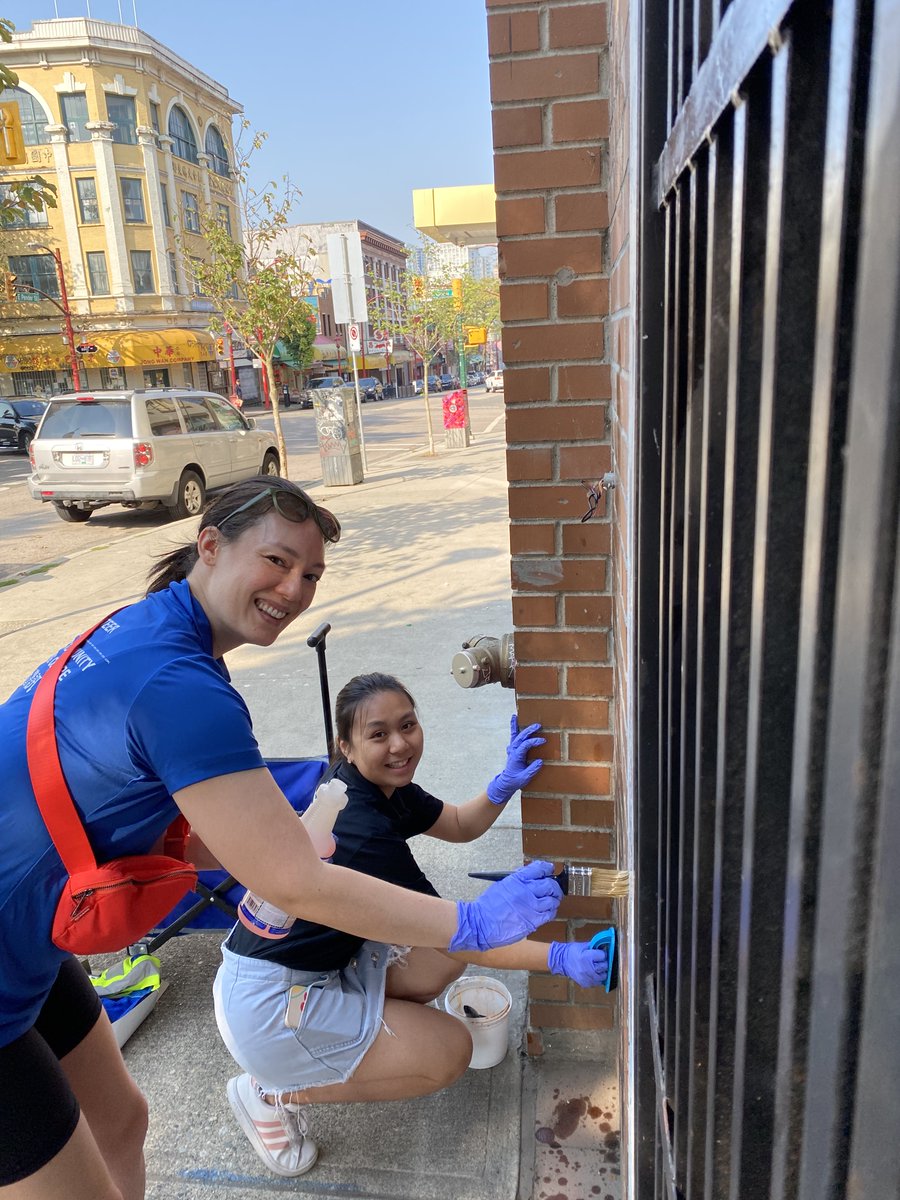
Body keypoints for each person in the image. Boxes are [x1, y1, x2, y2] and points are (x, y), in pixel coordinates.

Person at [0, 476, 562, 1200]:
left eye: (312, 575)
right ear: (210, 546)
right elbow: (299, 884)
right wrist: (471, 920)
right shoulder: (180, 683)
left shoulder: (152, 632)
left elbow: (169, 813)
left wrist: (268, 842)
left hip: (26, 948)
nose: (294, 589)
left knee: (122, 1123)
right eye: (277, 561)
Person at [214, 672, 609, 1178]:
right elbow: (466, 932)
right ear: (346, 745)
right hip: (268, 1009)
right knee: (449, 1052)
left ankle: (361, 1032)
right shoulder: (361, 833)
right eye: (378, 734)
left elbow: (462, 825)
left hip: (300, 971)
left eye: (408, 724)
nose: (400, 744)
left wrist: (501, 783)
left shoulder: (372, 786)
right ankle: (269, 1090)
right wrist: (560, 958)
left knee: (440, 956)